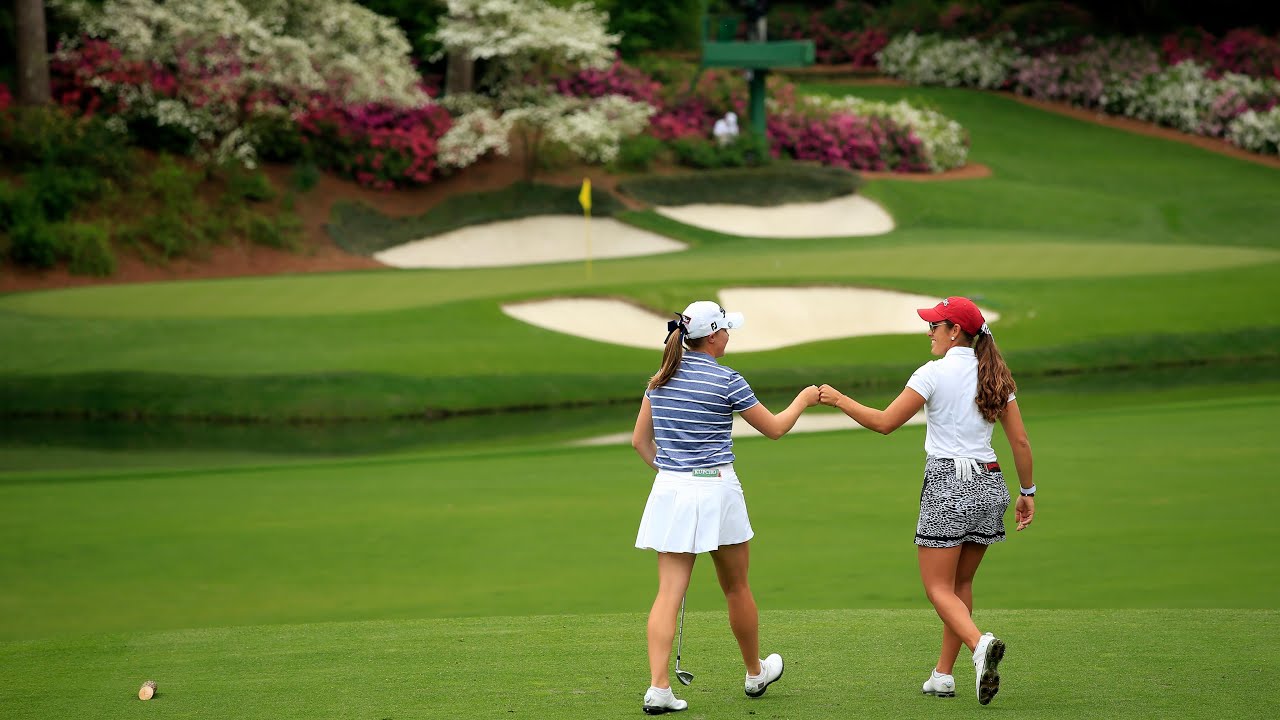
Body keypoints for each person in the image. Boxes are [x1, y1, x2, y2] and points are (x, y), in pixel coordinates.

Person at [816, 296, 1035, 706]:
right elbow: (1020, 441)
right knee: (960, 584)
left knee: (937, 587)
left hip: (948, 483)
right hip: (990, 484)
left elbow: (885, 423)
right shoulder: (997, 376)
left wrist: (838, 399)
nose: (929, 332)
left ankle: (978, 643)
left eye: (935, 325)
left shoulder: (932, 374)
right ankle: (942, 675)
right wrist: (1027, 493)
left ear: (955, 331)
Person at [632, 300, 820, 715]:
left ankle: (658, 688)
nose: (729, 335)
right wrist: (804, 399)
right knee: (736, 587)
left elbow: (641, 444)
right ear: (714, 335)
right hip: (717, 489)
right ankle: (755, 673)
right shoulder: (728, 380)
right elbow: (774, 428)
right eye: (726, 330)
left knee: (668, 593)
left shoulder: (659, 379)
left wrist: (672, 473)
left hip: (672, 489)